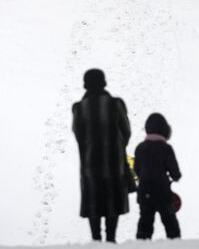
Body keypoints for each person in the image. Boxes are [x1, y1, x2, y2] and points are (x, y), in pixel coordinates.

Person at [72, 69, 131, 243]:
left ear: (85, 84)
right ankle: (111, 241)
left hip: (90, 165)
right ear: (104, 82)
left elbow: (78, 134)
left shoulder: (79, 108)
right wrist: (116, 146)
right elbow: (126, 132)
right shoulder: (116, 104)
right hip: (114, 164)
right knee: (113, 202)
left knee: (93, 203)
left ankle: (96, 240)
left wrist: (90, 147)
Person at [134, 113, 182, 240]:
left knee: (145, 223)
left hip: (145, 192)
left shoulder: (140, 148)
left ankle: (141, 244)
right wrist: (176, 176)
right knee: (170, 222)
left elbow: (136, 170)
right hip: (162, 193)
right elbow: (174, 171)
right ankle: (175, 244)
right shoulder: (166, 149)